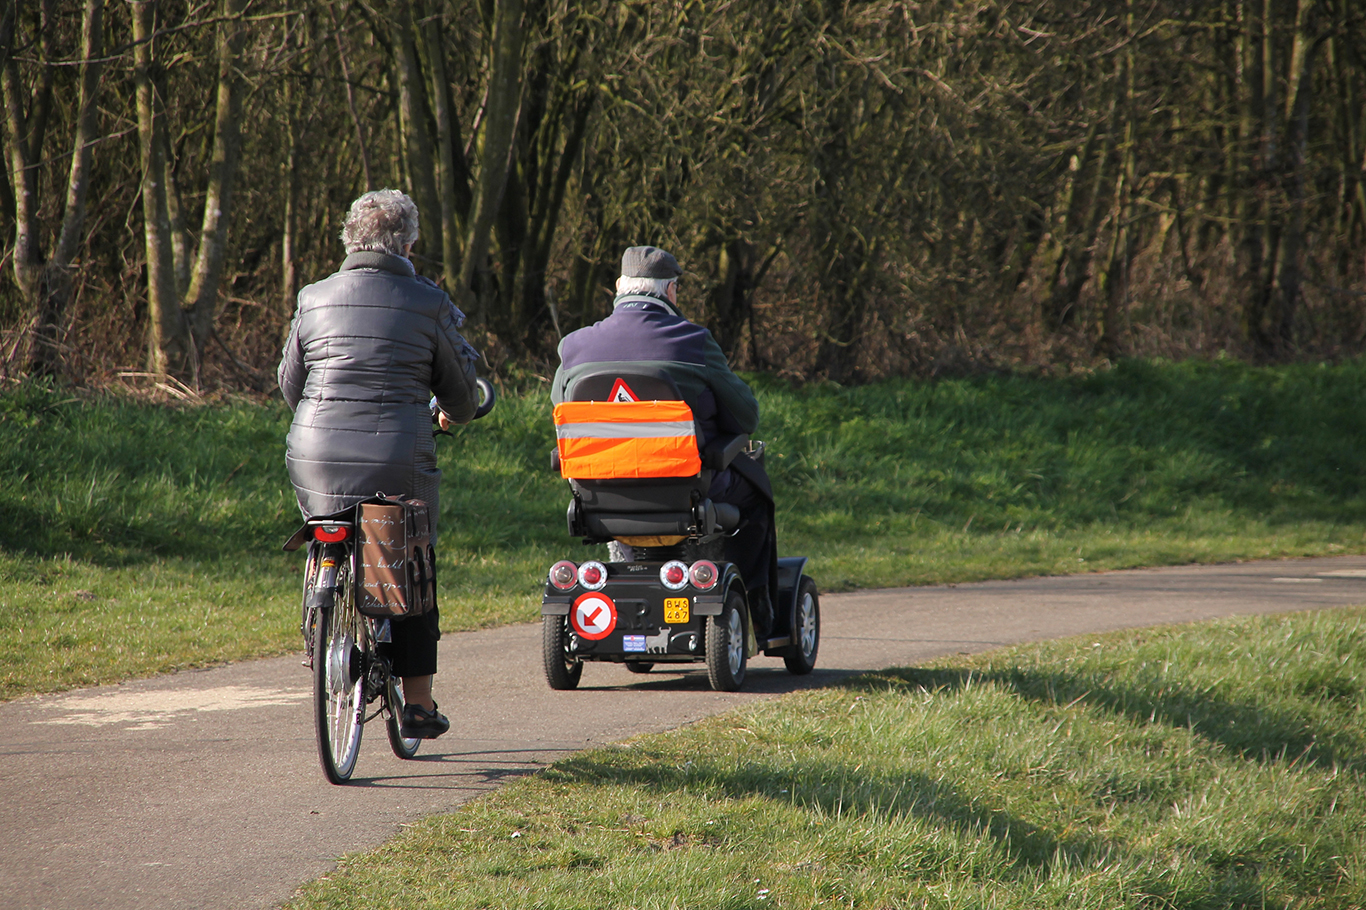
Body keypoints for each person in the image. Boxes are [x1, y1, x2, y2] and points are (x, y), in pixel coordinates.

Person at [277, 189, 480, 739]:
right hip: (396, 460)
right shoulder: (426, 301)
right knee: (408, 559)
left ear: (350, 239)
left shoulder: (313, 297)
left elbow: (289, 385)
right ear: (410, 244)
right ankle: (417, 703)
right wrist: (455, 415)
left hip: (314, 455)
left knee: (334, 528)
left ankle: (324, 602)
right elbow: (462, 396)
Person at [551, 245, 778, 637]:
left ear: (619, 289)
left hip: (598, 492)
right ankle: (756, 605)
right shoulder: (693, 342)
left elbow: (562, 414)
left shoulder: (574, 346)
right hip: (684, 490)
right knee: (758, 495)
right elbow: (746, 416)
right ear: (671, 291)